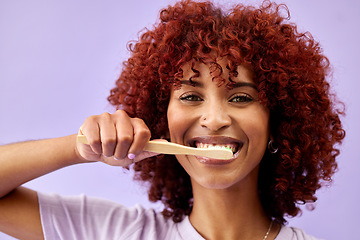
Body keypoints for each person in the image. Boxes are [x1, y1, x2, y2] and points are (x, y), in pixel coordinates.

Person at [0, 0, 345, 239]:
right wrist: (79, 149)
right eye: (191, 96)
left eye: (240, 97)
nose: (214, 119)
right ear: (162, 123)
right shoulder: (117, 233)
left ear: (278, 124)